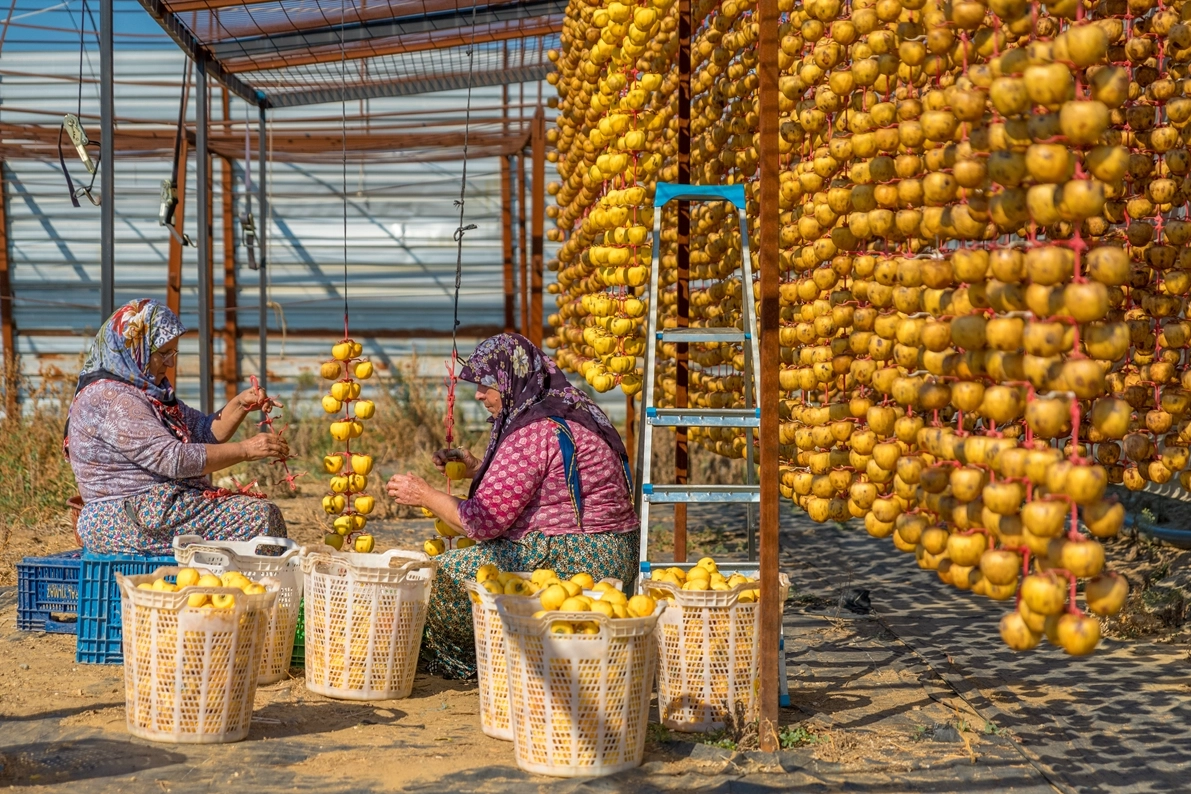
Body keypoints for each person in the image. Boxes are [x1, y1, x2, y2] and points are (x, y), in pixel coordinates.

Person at [386, 333, 638, 678]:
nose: (477, 395)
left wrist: (425, 495)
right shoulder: (570, 407)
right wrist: (477, 467)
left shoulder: (533, 430)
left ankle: (473, 659)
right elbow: (547, 476)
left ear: (509, 381)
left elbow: (481, 522)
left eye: (485, 385)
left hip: (569, 561)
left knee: (434, 580)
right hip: (617, 558)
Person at [65, 298, 290, 555]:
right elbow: (172, 459)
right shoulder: (112, 398)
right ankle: (255, 592)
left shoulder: (147, 392)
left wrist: (240, 404)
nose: (170, 363)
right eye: (163, 354)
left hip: (156, 509)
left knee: (260, 516)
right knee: (257, 519)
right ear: (135, 349)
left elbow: (203, 432)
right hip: (127, 517)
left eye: (173, 353)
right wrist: (246, 450)